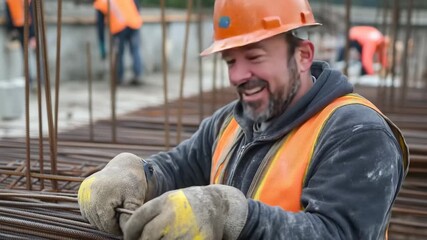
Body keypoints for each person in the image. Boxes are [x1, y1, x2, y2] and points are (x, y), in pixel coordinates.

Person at [78, 0, 409, 239]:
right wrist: (138, 174)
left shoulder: (356, 133)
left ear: (303, 55)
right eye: (230, 61)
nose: (238, 75)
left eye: (254, 57)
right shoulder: (233, 122)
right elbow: (180, 167)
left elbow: (336, 233)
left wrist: (232, 215)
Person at [94, 0, 144, 86]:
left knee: (118, 53)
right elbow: (136, 5)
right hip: (134, 23)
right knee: (135, 50)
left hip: (119, 27)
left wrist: (101, 43)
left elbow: (100, 25)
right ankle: (138, 75)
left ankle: (119, 77)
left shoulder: (100, 2)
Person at [5, 0, 36, 86]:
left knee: (31, 54)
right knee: (25, 55)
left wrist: (33, 35)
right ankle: (29, 78)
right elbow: (9, 16)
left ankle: (33, 78)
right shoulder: (11, 1)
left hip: (28, 28)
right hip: (20, 29)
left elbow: (33, 14)